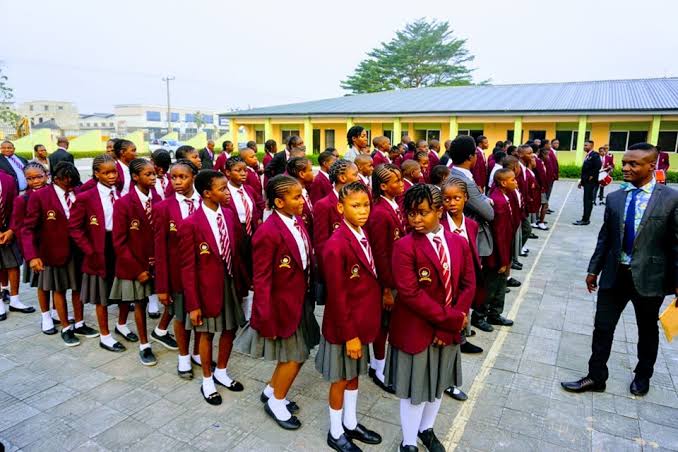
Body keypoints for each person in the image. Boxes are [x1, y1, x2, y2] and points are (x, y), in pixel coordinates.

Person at [561, 142, 678, 396]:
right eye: (625, 162)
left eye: (633, 164)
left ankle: (643, 376)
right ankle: (596, 377)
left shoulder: (670, 199)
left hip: (649, 278)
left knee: (647, 330)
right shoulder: (615, 198)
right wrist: (594, 270)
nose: (625, 167)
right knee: (602, 327)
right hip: (615, 275)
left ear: (651, 166)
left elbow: (676, 244)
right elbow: (605, 238)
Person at [386, 184, 475, 452]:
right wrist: (451, 319)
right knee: (416, 390)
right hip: (417, 329)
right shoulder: (404, 246)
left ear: (439, 210)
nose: (415, 219)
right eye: (411, 213)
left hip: (448, 330)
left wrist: (452, 324)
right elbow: (410, 294)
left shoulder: (458, 242)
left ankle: (426, 429)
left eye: (422, 213)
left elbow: (468, 284)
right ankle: (409, 441)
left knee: (438, 383)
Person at [235, 175, 320, 430]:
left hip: (300, 300)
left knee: (300, 353)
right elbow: (261, 279)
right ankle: (277, 402)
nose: (302, 200)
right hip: (281, 306)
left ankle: (273, 390)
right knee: (294, 356)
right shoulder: (268, 233)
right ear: (279, 202)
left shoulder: (297, 221)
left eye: (302, 194)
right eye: (296, 197)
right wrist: (263, 315)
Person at [316, 181, 383, 451]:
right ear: (341, 207)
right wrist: (351, 336)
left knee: (355, 375)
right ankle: (335, 431)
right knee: (340, 379)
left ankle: (351, 423)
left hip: (361, 322)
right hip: (345, 328)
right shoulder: (336, 245)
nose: (363, 210)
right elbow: (338, 296)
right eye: (356, 206)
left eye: (366, 204)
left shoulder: (361, 233)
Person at [181, 170, 249, 404]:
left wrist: (245, 283)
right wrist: (193, 304)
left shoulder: (229, 215)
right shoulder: (191, 224)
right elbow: (188, 268)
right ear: (207, 193)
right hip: (206, 289)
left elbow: (239, 252)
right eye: (222, 189)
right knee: (206, 333)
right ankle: (207, 380)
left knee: (230, 329)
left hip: (230, 283)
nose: (227, 192)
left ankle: (221, 370)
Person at [23, 162, 98, 346]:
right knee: (59, 289)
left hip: (78, 250)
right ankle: (66, 327)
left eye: (73, 182)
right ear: (55, 179)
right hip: (53, 251)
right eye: (66, 182)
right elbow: (27, 229)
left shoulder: (78, 192)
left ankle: (79, 323)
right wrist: (32, 256)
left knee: (78, 288)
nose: (70, 185)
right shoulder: (41, 196)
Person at [69, 154, 129, 352]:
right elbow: (75, 228)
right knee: (102, 294)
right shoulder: (86, 197)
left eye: (114, 172)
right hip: (99, 247)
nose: (112, 176)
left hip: (119, 245)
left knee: (123, 289)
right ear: (96, 174)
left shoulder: (120, 193)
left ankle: (122, 324)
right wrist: (89, 249)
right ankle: (105, 335)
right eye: (106, 173)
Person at [109, 158, 160, 365]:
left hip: (154, 261)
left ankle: (156, 331)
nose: (153, 177)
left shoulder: (156, 199)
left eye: (154, 174)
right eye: (148, 174)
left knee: (152, 300)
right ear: (135, 177)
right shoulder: (123, 203)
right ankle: (144, 344)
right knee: (139, 303)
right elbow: (119, 242)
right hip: (134, 263)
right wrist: (137, 269)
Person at [154, 159, 202, 379]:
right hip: (179, 274)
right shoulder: (164, 208)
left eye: (183, 177)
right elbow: (160, 249)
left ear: (194, 177)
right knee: (182, 317)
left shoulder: (206, 201)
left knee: (204, 315)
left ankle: (197, 353)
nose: (177, 182)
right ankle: (183, 357)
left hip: (204, 272)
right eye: (173, 177)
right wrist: (162, 286)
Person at [448, 136, 495, 332]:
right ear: (470, 156)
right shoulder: (462, 179)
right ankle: (462, 329)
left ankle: (464, 327)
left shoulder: (457, 174)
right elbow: (488, 213)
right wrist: (488, 202)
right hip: (467, 235)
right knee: (466, 283)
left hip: (465, 232)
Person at [364, 163, 405, 394]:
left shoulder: (393, 206)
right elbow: (380, 254)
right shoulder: (379, 213)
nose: (401, 184)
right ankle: (378, 366)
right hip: (386, 281)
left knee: (389, 324)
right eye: (396, 181)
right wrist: (387, 289)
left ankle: (380, 363)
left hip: (397, 276)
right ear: (383, 186)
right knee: (383, 325)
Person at [7, 163, 48, 325]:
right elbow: (19, 227)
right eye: (30, 179)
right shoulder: (22, 199)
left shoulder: (53, 193)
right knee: (42, 285)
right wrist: (29, 254)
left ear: (46, 174)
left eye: (39, 176)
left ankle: (55, 312)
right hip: (36, 249)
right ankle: (46, 317)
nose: (35, 181)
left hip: (54, 246)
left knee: (56, 284)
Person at [481, 169, 517, 327]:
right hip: (497, 254)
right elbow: (500, 234)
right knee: (491, 285)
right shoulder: (499, 202)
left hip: (504, 250)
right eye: (513, 180)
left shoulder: (503, 195)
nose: (516, 182)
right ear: (503, 183)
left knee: (500, 284)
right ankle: (481, 315)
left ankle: (495, 313)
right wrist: (503, 260)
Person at [0, 166, 32, 322]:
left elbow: (15, 207)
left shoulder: (8, 179)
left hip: (8, 230)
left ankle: (15, 300)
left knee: (13, 264)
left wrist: (12, 229)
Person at [286, 157, 315, 240]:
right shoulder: (294, 197)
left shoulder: (305, 190)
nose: (313, 173)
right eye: (310, 170)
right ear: (302, 174)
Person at [574, 140, 601, 226]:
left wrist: (592, 176)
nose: (584, 147)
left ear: (592, 146)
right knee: (586, 200)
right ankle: (584, 218)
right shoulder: (588, 155)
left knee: (588, 200)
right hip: (586, 181)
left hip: (591, 182)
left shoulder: (595, 155)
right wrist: (581, 181)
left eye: (586, 145)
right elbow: (585, 170)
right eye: (584, 145)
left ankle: (586, 219)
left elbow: (598, 166)